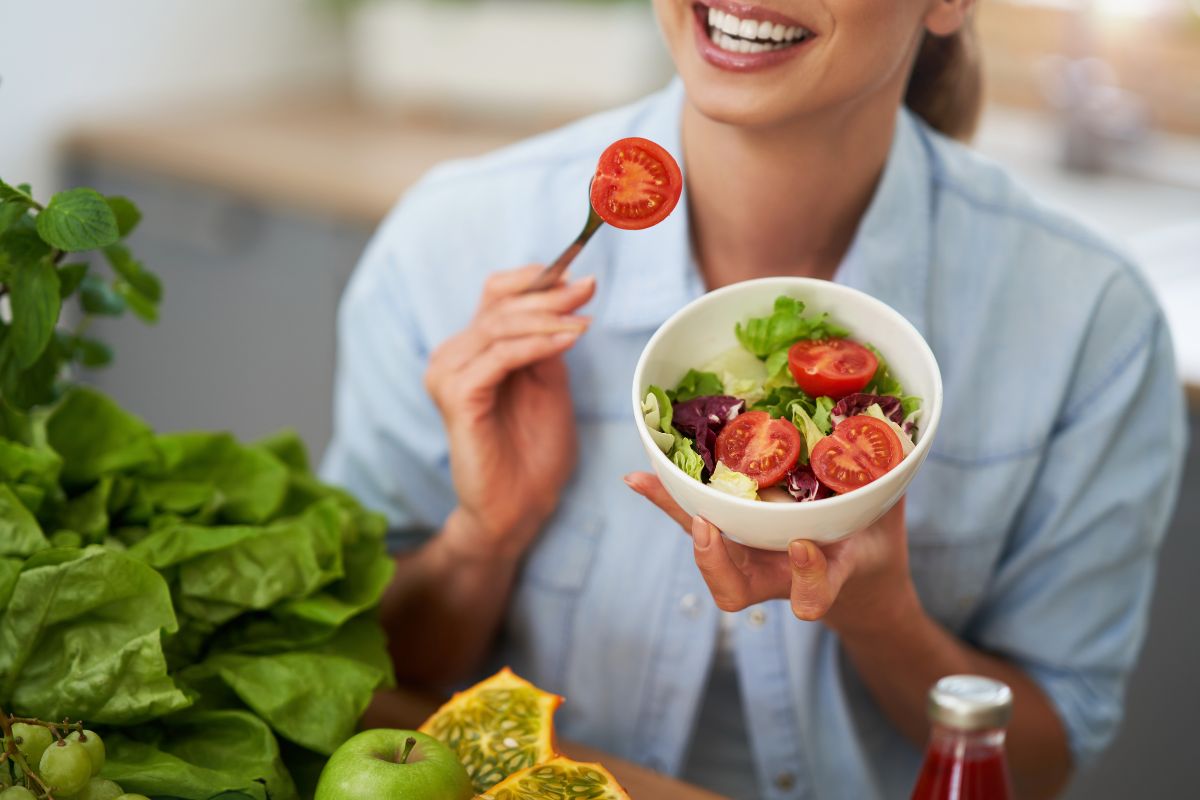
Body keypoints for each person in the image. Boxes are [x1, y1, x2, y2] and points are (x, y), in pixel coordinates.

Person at [320, 1, 1187, 798]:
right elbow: (362, 677)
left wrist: (885, 622)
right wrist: (487, 536)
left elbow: (1042, 761)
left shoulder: (1089, 325)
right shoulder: (450, 240)